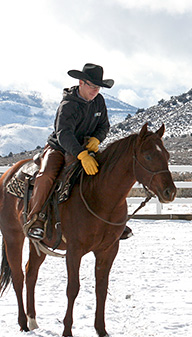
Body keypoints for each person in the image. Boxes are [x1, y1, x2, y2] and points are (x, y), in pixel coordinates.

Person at [25, 63, 131, 240]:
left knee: (106, 175)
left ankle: (111, 220)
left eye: (98, 87)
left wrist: (97, 139)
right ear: (81, 82)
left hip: (86, 147)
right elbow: (63, 134)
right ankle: (36, 219)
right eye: (92, 86)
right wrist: (81, 154)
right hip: (60, 147)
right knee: (47, 175)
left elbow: (104, 125)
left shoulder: (99, 102)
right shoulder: (68, 105)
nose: (96, 90)